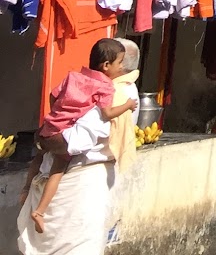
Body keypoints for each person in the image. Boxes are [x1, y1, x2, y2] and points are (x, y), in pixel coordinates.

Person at [24, 38, 137, 234]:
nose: (121, 67)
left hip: (52, 126)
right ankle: (40, 211)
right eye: (119, 62)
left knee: (39, 154)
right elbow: (106, 114)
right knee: (57, 169)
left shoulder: (75, 76)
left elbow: (53, 95)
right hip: (72, 158)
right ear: (106, 65)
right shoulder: (108, 88)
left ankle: (26, 189)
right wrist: (127, 105)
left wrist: (59, 114)